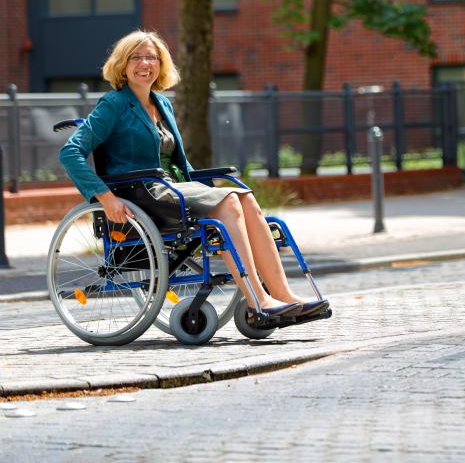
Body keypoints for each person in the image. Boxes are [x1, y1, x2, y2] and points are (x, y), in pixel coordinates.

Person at [60, 29, 326, 320]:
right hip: (143, 192)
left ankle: (284, 295)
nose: (144, 64)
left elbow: (178, 160)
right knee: (229, 202)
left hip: (173, 187)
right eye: (136, 57)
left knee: (245, 198)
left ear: (161, 65)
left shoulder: (163, 104)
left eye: (152, 57)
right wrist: (106, 198)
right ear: (122, 64)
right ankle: (257, 299)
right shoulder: (113, 104)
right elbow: (70, 152)